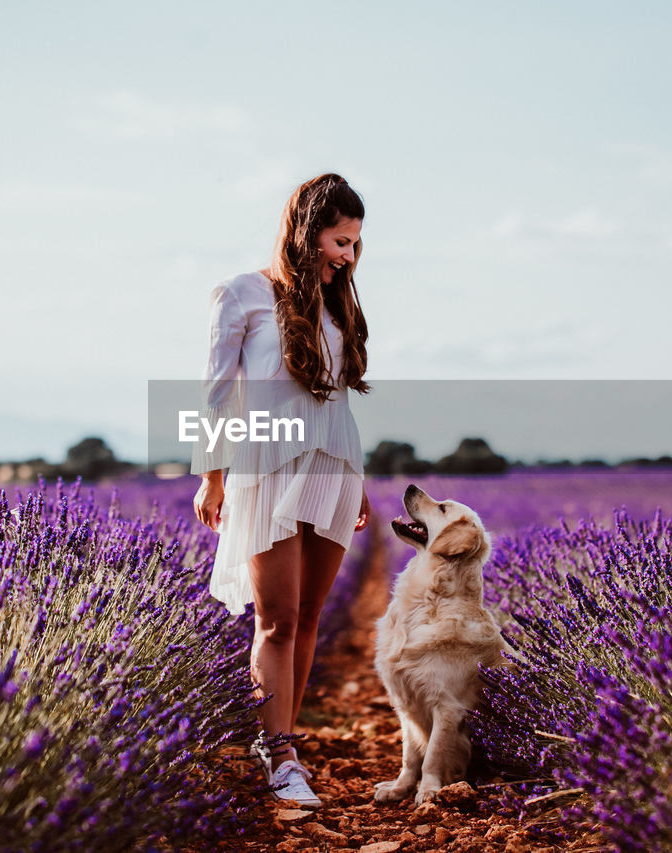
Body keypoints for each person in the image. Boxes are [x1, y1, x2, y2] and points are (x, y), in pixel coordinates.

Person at [191, 173, 371, 808]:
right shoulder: (241, 293)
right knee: (278, 618)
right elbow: (215, 395)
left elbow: (339, 401)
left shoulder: (337, 303)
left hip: (333, 467)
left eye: (354, 245)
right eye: (339, 240)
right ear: (306, 231)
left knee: (312, 616)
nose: (347, 256)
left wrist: (360, 478)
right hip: (265, 467)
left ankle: (284, 738)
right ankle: (281, 757)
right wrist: (212, 476)